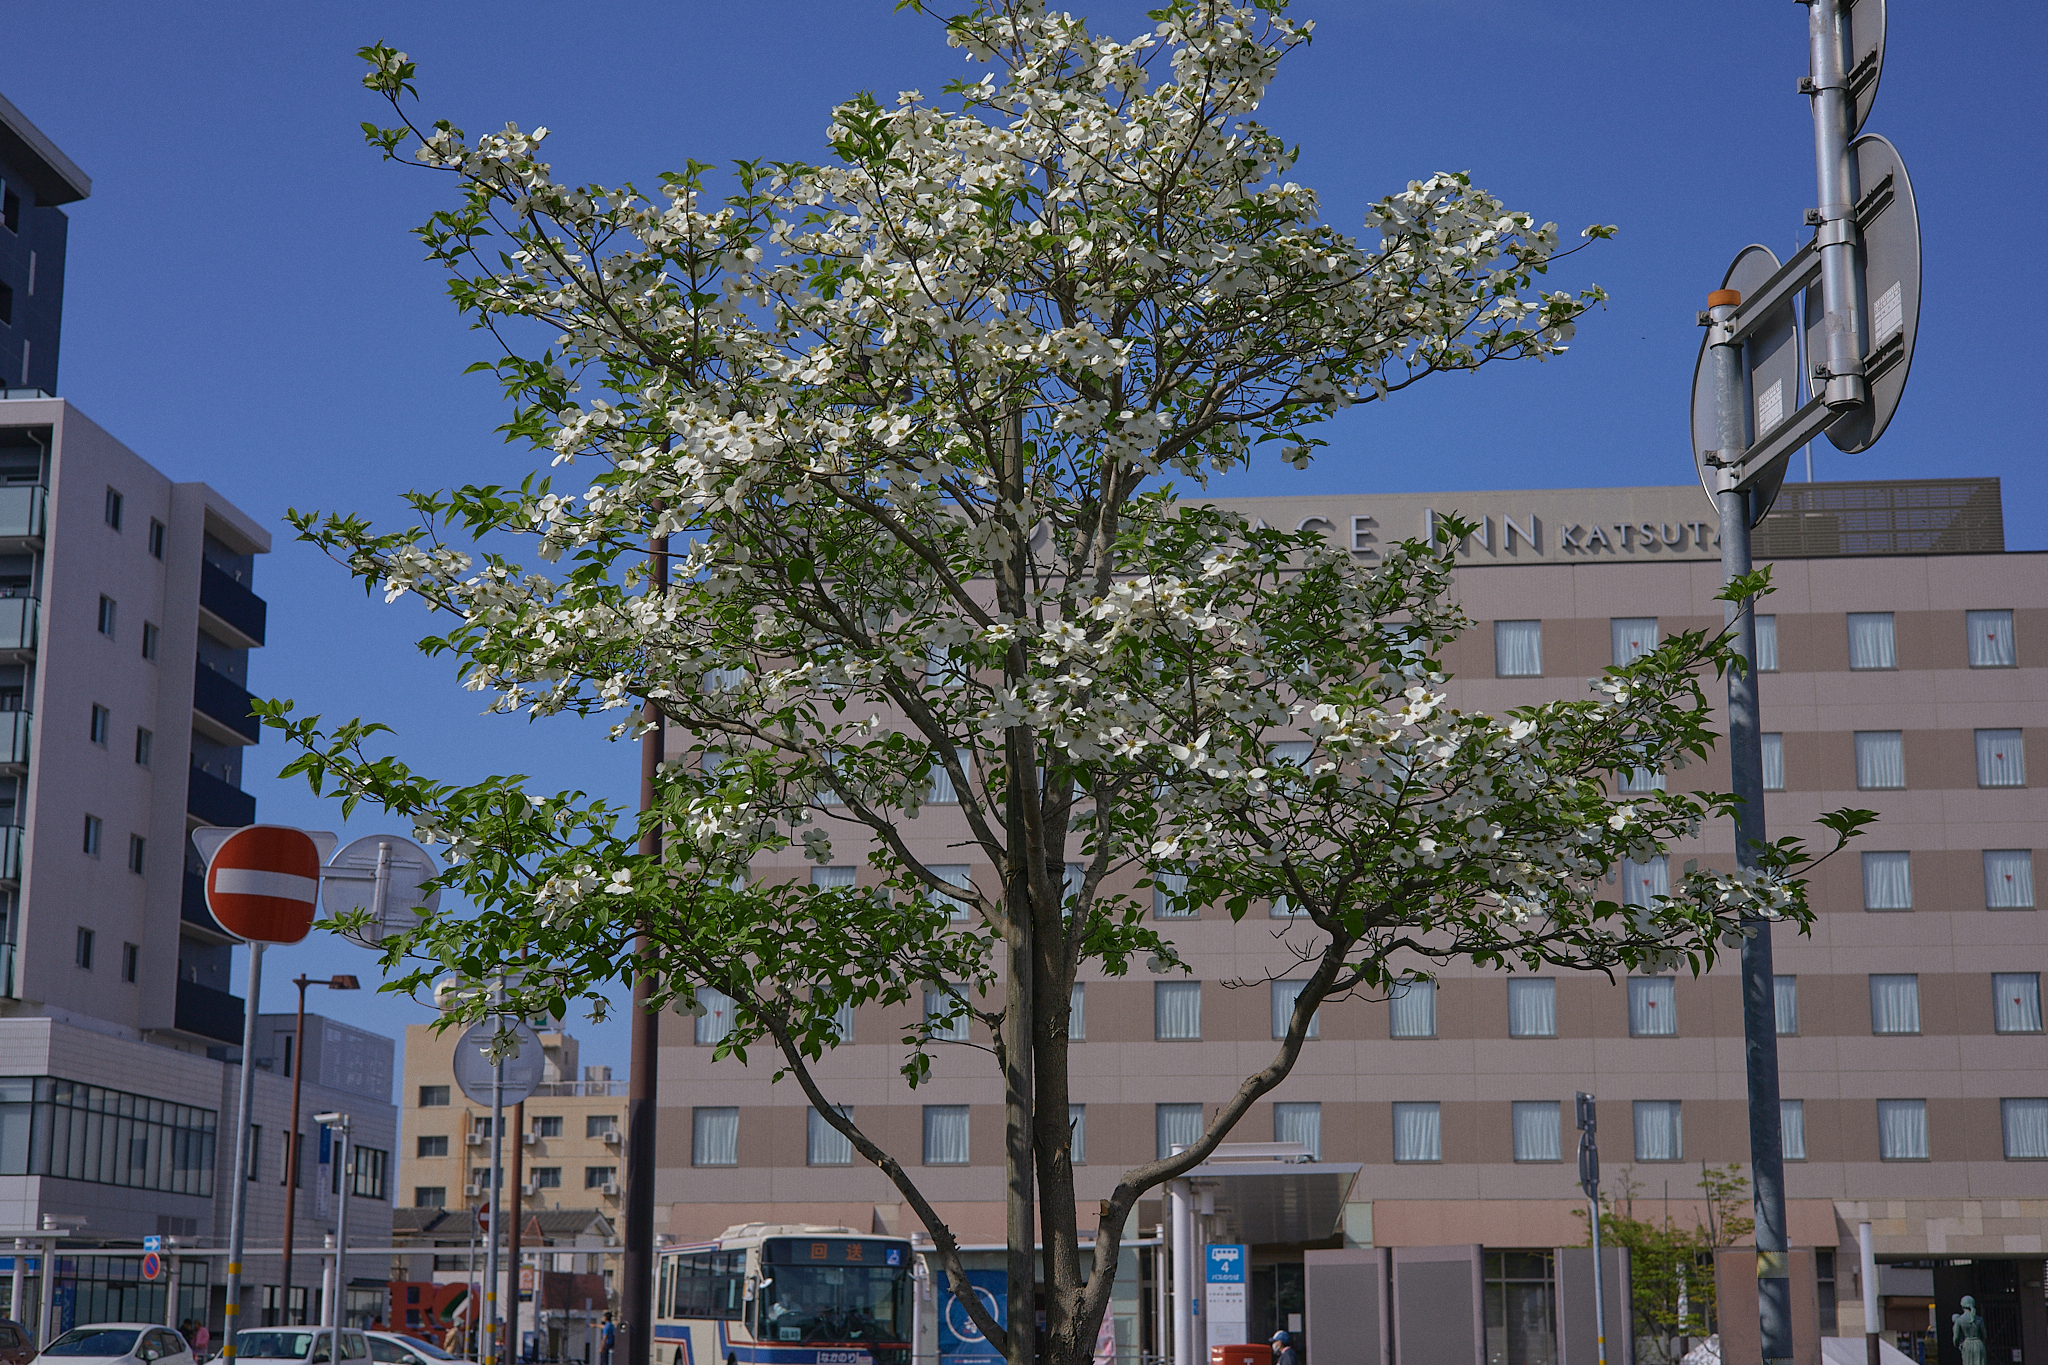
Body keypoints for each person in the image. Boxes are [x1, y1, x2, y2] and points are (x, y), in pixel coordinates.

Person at [1953, 1295, 1988, 1365]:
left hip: (1967, 1345)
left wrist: (1958, 1345)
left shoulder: (1959, 1320)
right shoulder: (1979, 1319)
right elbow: (1984, 1335)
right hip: (1979, 1345)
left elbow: (1956, 1337)